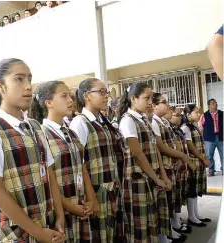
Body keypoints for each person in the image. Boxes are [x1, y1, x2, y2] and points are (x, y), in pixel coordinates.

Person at [0, 59, 65, 242]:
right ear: (0, 86)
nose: (28, 86)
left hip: (43, 221)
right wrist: (37, 232)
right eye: (19, 79)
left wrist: (59, 214)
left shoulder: (35, 126)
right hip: (12, 231)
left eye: (29, 79)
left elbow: (49, 173)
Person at [31, 81, 97, 242]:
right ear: (49, 103)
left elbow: (81, 166)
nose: (70, 100)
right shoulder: (41, 135)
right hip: (59, 207)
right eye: (64, 96)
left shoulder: (70, 133)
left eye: (70, 95)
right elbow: (48, 177)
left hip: (80, 204)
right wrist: (70, 206)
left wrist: (91, 199)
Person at [70, 78, 125, 243]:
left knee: (111, 232)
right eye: (101, 92)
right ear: (87, 96)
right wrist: (90, 195)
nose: (106, 96)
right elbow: (78, 163)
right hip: (96, 190)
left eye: (106, 92)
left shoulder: (102, 121)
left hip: (111, 188)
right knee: (98, 234)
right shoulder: (80, 122)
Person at [117, 83, 171, 243]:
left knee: (152, 222)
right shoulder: (128, 121)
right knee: (140, 227)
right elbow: (137, 154)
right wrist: (156, 178)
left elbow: (155, 150)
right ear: (133, 99)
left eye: (151, 98)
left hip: (151, 176)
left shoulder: (145, 120)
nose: (150, 102)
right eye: (146, 98)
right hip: (138, 179)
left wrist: (163, 175)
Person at [151, 93, 194, 241]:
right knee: (164, 204)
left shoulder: (163, 122)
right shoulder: (154, 122)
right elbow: (160, 147)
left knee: (170, 201)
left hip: (171, 166)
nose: (168, 105)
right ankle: (166, 234)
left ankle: (170, 230)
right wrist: (181, 156)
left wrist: (178, 156)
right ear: (155, 105)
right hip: (164, 167)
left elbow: (173, 142)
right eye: (164, 102)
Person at [181, 104, 211, 227]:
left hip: (199, 162)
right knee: (192, 190)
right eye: (196, 112)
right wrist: (203, 158)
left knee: (196, 189)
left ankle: (196, 214)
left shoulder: (195, 126)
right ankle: (191, 217)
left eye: (199, 112)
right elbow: (191, 147)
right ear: (188, 115)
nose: (199, 115)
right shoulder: (185, 128)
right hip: (193, 162)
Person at [167, 107, 192, 234]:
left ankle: (177, 221)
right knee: (173, 198)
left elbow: (180, 146)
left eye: (179, 115)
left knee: (178, 195)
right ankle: (174, 224)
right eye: (176, 115)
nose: (179, 117)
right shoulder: (169, 128)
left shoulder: (177, 130)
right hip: (172, 166)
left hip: (180, 164)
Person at [199, 99, 223, 176]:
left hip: (220, 137)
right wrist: (203, 139)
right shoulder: (204, 115)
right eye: (213, 103)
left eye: (215, 102)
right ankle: (211, 170)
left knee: (223, 154)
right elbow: (201, 127)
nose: (215, 104)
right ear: (209, 106)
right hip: (209, 138)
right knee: (209, 155)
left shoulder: (222, 113)